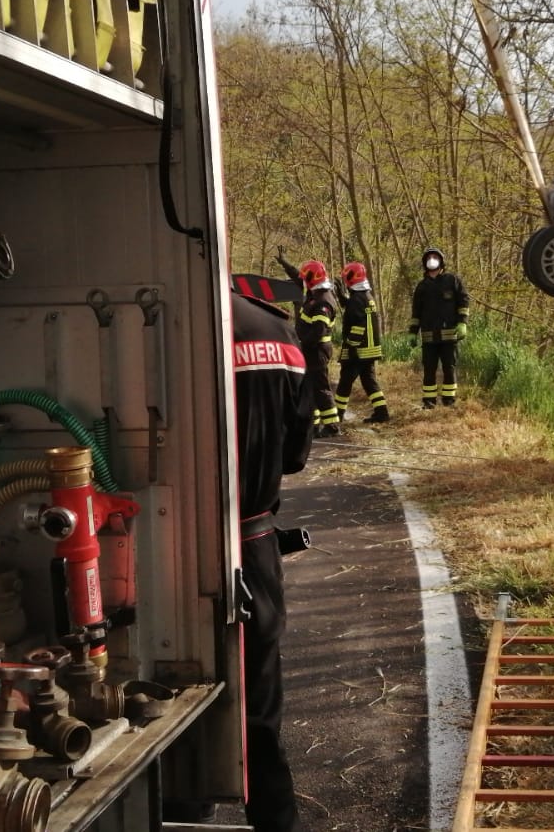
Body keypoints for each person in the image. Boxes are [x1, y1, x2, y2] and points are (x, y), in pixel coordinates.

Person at [230, 291, 315, 832]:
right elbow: (295, 455)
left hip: (155, 544)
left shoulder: (147, 317)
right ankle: (275, 820)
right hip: (252, 540)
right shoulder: (276, 332)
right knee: (258, 704)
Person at [278, 253, 341, 437]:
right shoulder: (316, 292)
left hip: (317, 351)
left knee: (321, 388)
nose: (304, 282)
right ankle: (313, 426)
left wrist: (299, 341)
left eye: (307, 278)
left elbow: (317, 332)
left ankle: (332, 426)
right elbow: (301, 280)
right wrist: (286, 265)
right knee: (310, 388)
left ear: (313, 280)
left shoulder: (323, 302)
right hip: (311, 350)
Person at [407, 245, 470, 408]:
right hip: (429, 337)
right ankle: (429, 402)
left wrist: (462, 322)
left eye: (435, 257)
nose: (431, 260)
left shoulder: (452, 280)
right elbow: (416, 312)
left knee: (449, 368)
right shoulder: (422, 287)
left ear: (441, 261)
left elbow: (464, 301)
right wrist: (413, 332)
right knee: (429, 370)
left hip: (449, 336)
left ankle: (449, 401)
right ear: (424, 263)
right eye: (428, 258)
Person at [334, 261, 389, 423]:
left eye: (346, 278)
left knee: (345, 382)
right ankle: (382, 413)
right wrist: (342, 297)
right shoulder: (366, 296)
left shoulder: (357, 299)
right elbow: (355, 309)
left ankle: (337, 416)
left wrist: (351, 345)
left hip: (358, 351)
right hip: (369, 351)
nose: (345, 281)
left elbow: (358, 324)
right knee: (369, 381)